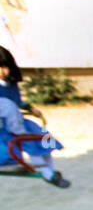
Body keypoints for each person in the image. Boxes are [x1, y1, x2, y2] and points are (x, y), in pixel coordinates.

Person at [0, 47, 69, 187]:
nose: (3, 71)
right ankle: (47, 174)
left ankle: (52, 170)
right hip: (7, 126)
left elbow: (17, 101)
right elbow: (7, 107)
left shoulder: (11, 84)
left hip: (19, 121)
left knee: (44, 137)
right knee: (29, 143)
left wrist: (30, 108)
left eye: (5, 67)